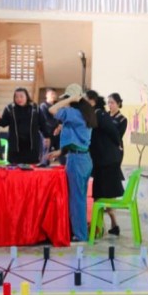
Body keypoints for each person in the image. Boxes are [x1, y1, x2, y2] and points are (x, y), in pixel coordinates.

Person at [47, 84, 97, 242]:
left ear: (73, 99)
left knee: (77, 200)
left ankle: (80, 235)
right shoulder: (86, 113)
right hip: (85, 159)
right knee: (80, 198)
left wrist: (69, 100)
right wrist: (61, 151)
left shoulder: (73, 113)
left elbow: (52, 110)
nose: (65, 102)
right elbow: (76, 137)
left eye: (67, 98)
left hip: (76, 161)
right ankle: (81, 231)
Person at [85, 90, 124, 236]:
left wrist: (117, 145)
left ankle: (97, 227)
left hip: (107, 161)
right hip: (103, 161)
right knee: (101, 196)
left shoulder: (100, 114)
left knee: (103, 196)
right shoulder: (97, 114)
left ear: (92, 101)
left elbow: (114, 132)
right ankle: (106, 225)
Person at [0, 87, 41, 165]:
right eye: (16, 97)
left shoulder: (35, 108)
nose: (19, 99)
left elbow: (42, 123)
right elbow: (4, 123)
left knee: (31, 168)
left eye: (21, 96)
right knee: (14, 168)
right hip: (15, 146)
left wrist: (47, 136)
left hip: (32, 146)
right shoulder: (9, 108)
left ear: (27, 96)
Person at [39, 88, 62, 162]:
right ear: (46, 95)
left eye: (54, 94)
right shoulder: (43, 106)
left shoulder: (57, 106)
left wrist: (59, 127)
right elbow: (46, 121)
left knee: (61, 152)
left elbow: (61, 119)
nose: (53, 95)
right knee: (45, 154)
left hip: (57, 133)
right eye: (51, 94)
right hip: (47, 134)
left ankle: (64, 166)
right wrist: (56, 126)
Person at [107, 93, 128, 163]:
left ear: (118, 104)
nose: (110, 105)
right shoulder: (104, 116)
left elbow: (118, 135)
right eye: (108, 102)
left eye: (112, 103)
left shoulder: (122, 119)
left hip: (115, 149)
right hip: (103, 148)